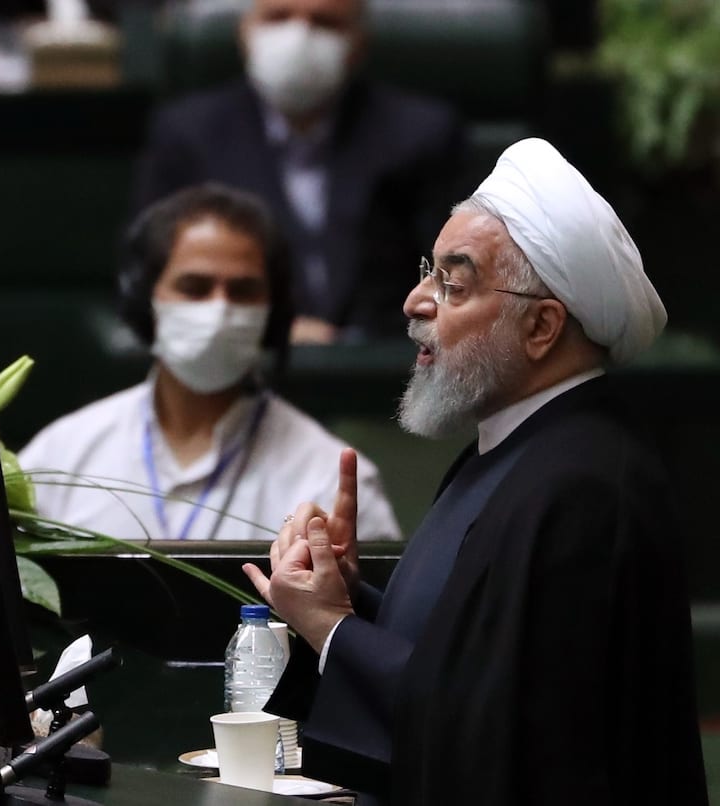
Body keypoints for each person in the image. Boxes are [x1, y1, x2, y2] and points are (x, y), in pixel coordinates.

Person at [243, 138, 708, 805]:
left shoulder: (583, 486)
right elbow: (470, 650)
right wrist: (346, 594)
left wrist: (331, 630)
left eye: (452, 283)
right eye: (428, 272)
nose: (414, 301)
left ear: (542, 327)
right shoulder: (516, 449)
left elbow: (500, 737)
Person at [19, 183, 400, 541]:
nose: (219, 309)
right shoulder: (62, 456)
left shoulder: (330, 481)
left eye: (243, 291)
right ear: (144, 300)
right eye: (194, 288)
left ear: (274, 311)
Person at [134, 0, 464, 344]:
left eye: (325, 23)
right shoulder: (187, 134)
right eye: (278, 17)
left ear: (360, 43)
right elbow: (151, 280)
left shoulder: (422, 134)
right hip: (236, 358)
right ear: (244, 31)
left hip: (385, 366)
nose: (299, 37)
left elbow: (454, 282)